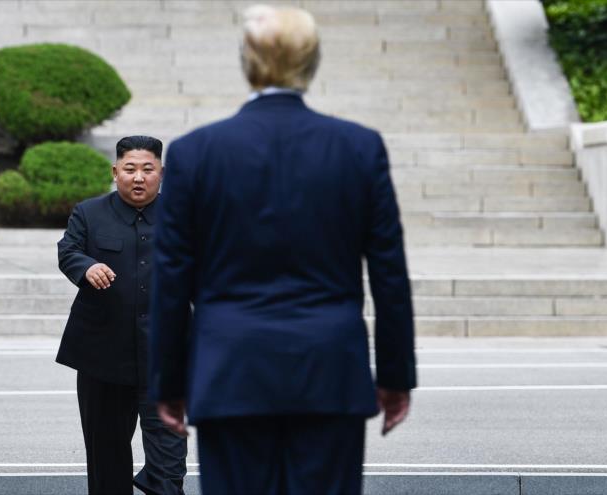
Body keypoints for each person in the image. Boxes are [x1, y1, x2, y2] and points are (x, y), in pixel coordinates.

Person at [149, 5, 417, 494]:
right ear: (312, 62)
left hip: (231, 367)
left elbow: (171, 279)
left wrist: (168, 382)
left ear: (246, 62)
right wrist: (396, 376)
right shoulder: (358, 147)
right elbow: (389, 274)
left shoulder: (195, 152)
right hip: (328, 367)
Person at [56, 135, 187, 495]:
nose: (139, 177)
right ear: (115, 172)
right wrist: (86, 266)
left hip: (165, 357)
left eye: (148, 169)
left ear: (162, 173)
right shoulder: (89, 213)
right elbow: (68, 250)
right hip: (103, 356)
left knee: (169, 456)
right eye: (130, 169)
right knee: (106, 456)